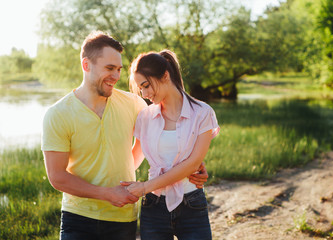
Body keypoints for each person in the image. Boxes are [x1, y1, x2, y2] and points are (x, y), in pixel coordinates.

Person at [41, 31, 208, 240]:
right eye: (109, 68)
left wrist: (192, 164)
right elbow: (57, 177)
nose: (116, 75)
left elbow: (159, 139)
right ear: (86, 65)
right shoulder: (57, 114)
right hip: (78, 217)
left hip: (122, 218)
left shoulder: (134, 104)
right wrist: (108, 194)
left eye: (119, 69)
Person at [125, 49, 220, 240]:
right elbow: (134, 157)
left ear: (165, 75)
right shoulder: (145, 117)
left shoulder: (202, 113)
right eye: (140, 89)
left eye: (146, 85)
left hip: (192, 204)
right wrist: (109, 183)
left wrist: (145, 187)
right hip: (153, 206)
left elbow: (193, 164)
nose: (144, 94)